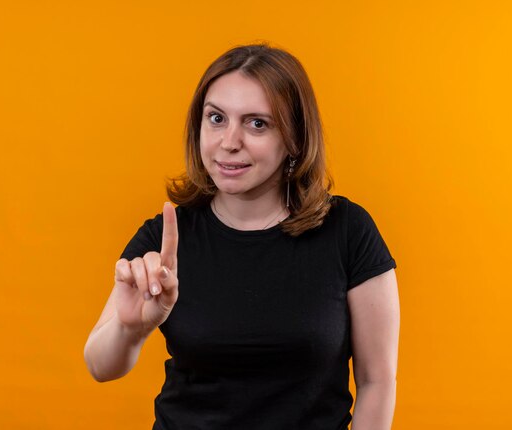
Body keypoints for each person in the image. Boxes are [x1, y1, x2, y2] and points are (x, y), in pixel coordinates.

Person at [84, 43, 399, 430]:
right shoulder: (164, 240)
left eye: (257, 124)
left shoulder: (348, 231)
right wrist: (131, 329)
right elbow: (100, 366)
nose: (229, 141)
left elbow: (377, 381)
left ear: (295, 139)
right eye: (216, 118)